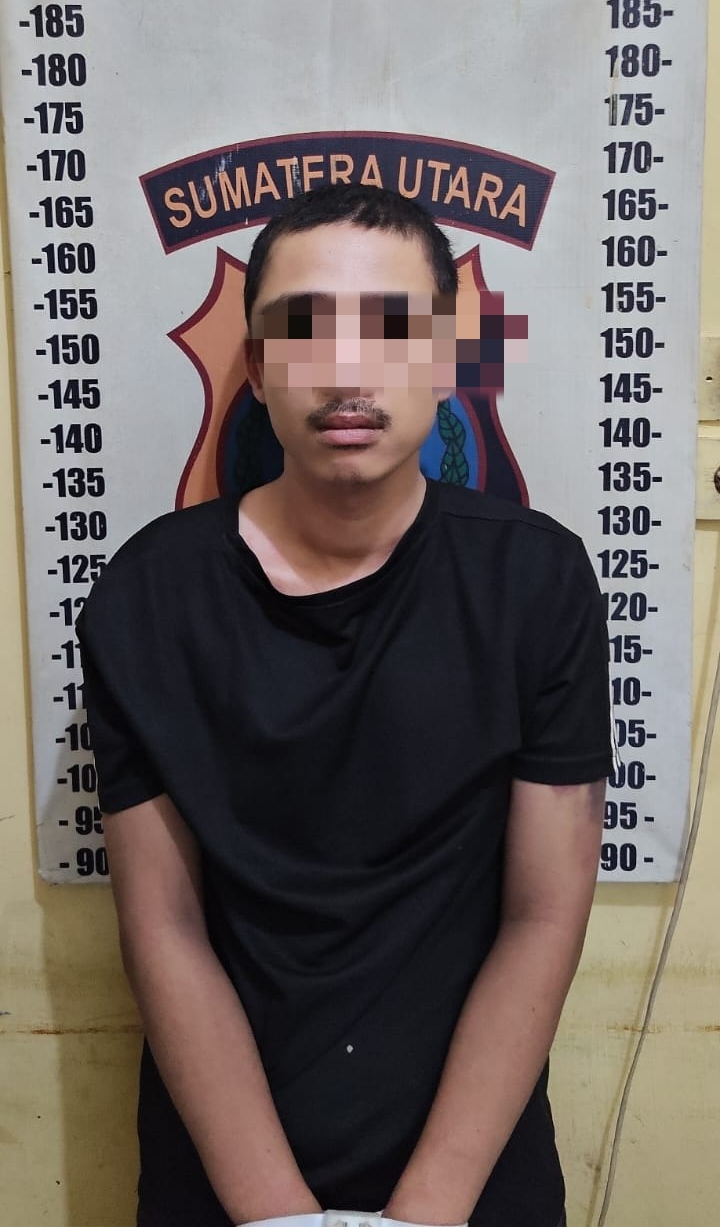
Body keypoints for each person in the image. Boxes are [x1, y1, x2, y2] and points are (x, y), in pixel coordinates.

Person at [76, 183, 615, 1227]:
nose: (348, 369)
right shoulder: (148, 597)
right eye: (305, 327)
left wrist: (431, 1209)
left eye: (392, 327)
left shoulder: (535, 584)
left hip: (470, 1166)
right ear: (257, 363)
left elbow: (544, 913)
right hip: (226, 1170)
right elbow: (164, 926)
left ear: (447, 356)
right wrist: (279, 1216)